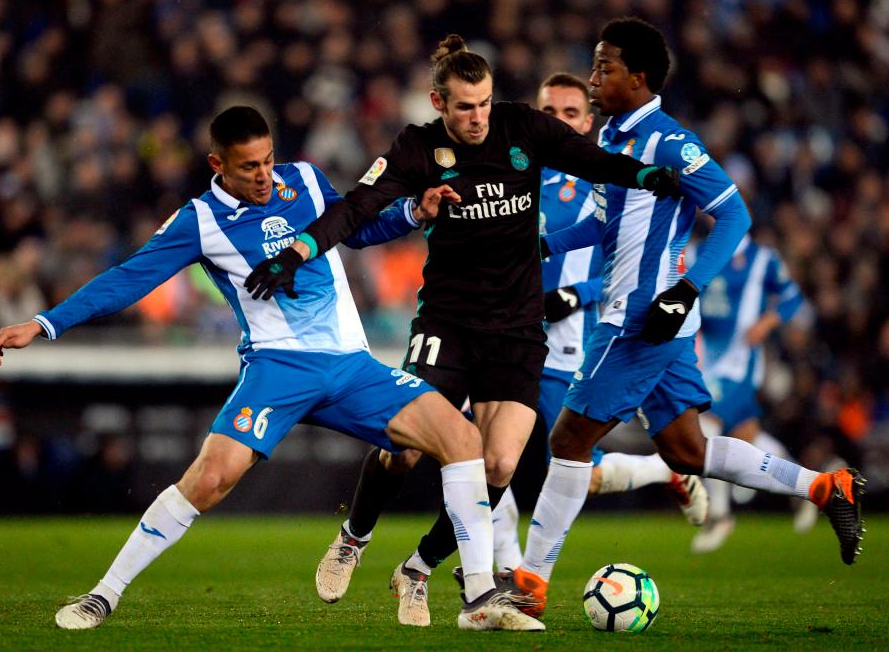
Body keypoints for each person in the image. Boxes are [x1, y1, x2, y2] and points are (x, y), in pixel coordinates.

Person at [0, 105, 546, 633]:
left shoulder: (303, 179)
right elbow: (129, 278)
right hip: (278, 369)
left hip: (352, 366)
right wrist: (46, 323)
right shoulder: (200, 221)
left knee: (463, 438)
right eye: (249, 166)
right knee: (209, 479)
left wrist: (409, 213)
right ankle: (103, 593)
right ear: (218, 165)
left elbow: (353, 229)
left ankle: (477, 596)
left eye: (268, 160)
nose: (264, 175)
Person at [243, 34, 681, 627]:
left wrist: (648, 174)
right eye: (464, 107)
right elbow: (356, 208)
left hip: (518, 327)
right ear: (438, 102)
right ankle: (353, 537)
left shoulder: (522, 128)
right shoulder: (417, 147)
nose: (477, 118)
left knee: (499, 466)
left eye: (484, 103)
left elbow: (593, 160)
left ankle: (419, 568)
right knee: (402, 450)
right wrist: (294, 253)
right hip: (448, 323)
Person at [504, 17, 866, 618]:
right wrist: (543, 245)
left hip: (640, 319)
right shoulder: (613, 140)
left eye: (605, 68)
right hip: (640, 318)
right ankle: (826, 487)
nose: (594, 78)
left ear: (638, 78)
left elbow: (734, 216)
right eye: (594, 66)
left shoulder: (670, 143)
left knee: (567, 439)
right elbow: (601, 224)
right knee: (687, 453)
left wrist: (688, 289)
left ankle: (530, 586)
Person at [491, 72, 708, 570]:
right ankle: (503, 566)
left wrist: (576, 293)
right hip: (502, 336)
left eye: (570, 114)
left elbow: (620, 265)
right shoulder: (510, 174)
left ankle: (666, 471)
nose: (559, 122)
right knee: (469, 451)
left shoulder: (600, 179)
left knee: (570, 466)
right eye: (549, 113)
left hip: (565, 344)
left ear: (587, 122)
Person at [691, 234, 818, 553]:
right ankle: (809, 487)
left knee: (705, 422)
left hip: (741, 362)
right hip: (706, 359)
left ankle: (718, 516)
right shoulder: (696, 252)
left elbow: (792, 299)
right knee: (746, 435)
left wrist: (767, 321)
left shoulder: (763, 259)